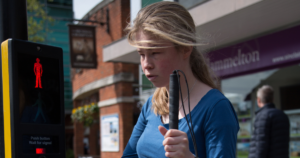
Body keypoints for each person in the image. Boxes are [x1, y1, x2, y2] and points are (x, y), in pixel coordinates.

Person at [122, 2, 239, 158]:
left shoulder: (216, 108)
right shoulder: (152, 104)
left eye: (155, 53)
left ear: (185, 48)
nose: (146, 64)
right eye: (141, 54)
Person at [249, 85, 290, 158]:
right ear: (273, 99)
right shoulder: (283, 115)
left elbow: (261, 146)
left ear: (258, 100)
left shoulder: (262, 116)